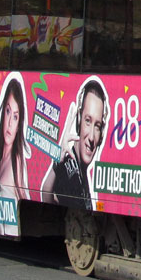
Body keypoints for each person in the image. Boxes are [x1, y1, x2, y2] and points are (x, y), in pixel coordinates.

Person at [41, 78, 106, 210]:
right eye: (88, 121)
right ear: (79, 121)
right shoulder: (69, 169)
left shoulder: (81, 172)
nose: (92, 137)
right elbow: (47, 197)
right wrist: (57, 163)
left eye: (97, 126)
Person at [0, 78, 29, 236]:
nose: (10, 123)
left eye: (16, 117)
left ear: (19, 125)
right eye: (8, 112)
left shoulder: (16, 162)